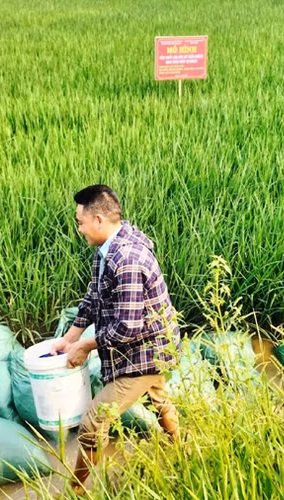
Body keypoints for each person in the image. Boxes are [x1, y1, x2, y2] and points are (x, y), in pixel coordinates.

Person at [51, 184, 181, 496]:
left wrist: (85, 346)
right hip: (140, 344)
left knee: (93, 422)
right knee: (157, 398)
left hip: (148, 350)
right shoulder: (106, 250)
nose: (79, 229)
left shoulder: (127, 259)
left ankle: (76, 490)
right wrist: (70, 337)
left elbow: (128, 327)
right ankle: (182, 450)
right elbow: (93, 298)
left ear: (98, 219)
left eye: (80, 222)